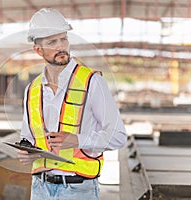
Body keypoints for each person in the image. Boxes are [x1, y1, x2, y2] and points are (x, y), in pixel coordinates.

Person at [17, 8, 127, 200]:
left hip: (78, 189)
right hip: (40, 188)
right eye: (52, 42)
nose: (61, 46)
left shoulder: (92, 82)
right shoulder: (32, 90)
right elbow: (28, 137)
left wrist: (78, 140)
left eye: (64, 39)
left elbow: (118, 136)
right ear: (38, 50)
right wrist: (30, 153)